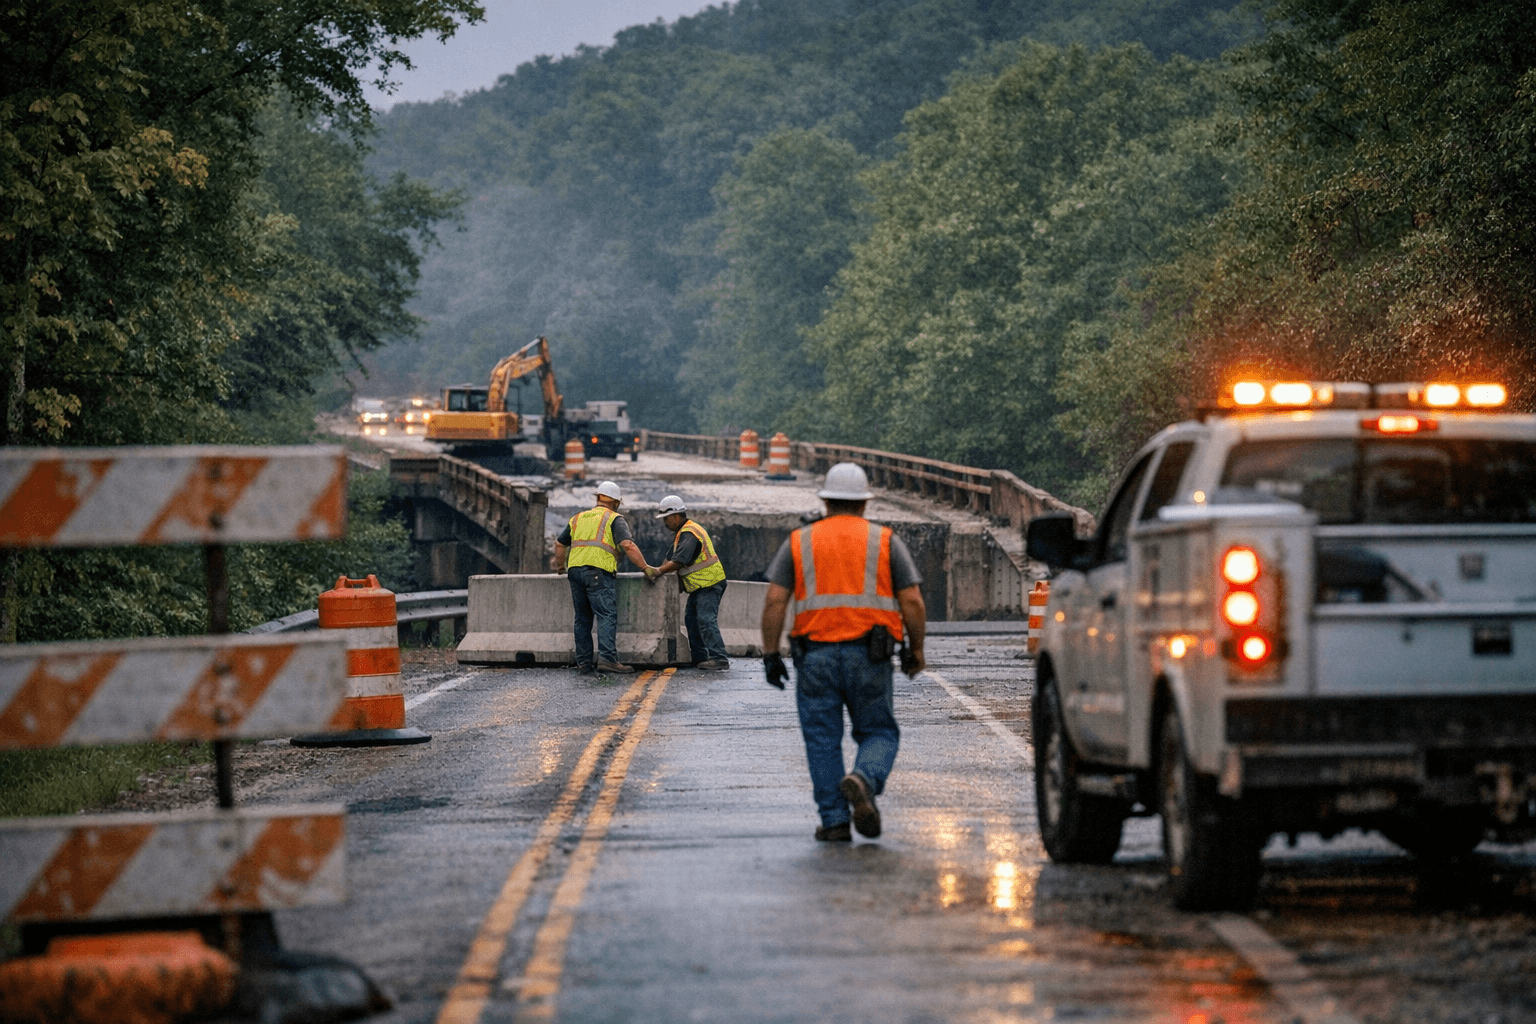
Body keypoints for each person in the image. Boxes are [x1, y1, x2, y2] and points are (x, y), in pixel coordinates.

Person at [759, 463, 926, 842]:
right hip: (870, 656)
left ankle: (834, 821)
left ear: (826, 500)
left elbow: (774, 601)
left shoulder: (799, 541)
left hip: (814, 657)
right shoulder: (885, 541)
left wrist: (770, 655)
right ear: (864, 504)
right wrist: (916, 650)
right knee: (879, 731)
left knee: (821, 738)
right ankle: (864, 779)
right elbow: (912, 601)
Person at [552, 480, 654, 675]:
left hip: (575, 572)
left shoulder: (578, 518)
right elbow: (628, 545)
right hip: (597, 572)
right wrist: (645, 567)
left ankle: (584, 663)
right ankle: (607, 659)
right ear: (616, 502)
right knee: (606, 614)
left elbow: (559, 544)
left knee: (582, 618)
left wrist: (560, 567)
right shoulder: (614, 518)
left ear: (598, 498)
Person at [647, 495, 729, 670]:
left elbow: (678, 561)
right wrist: (659, 574)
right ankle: (700, 657)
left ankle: (719, 657)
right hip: (700, 586)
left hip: (710, 583)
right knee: (691, 619)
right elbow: (669, 558)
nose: (665, 523)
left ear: (676, 516)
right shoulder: (682, 535)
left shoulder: (690, 533)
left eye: (666, 519)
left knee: (706, 619)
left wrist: (659, 572)